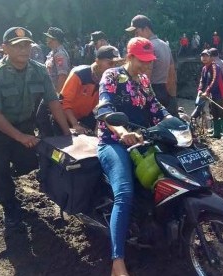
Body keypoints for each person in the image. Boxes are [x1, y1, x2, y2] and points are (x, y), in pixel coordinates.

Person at [0, 27, 71, 228]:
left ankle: (11, 171)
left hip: (24, 123)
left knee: (28, 161)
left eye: (27, 44)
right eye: (17, 45)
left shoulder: (39, 70)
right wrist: (20, 137)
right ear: (5, 48)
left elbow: (53, 102)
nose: (24, 49)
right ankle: (9, 208)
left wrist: (67, 133)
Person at [96, 36, 170, 276]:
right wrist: (122, 132)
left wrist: (175, 122)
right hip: (113, 142)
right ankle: (118, 262)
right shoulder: (112, 76)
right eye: (142, 61)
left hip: (143, 141)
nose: (147, 66)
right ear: (129, 57)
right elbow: (105, 108)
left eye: (150, 61)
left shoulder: (144, 79)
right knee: (125, 193)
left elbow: (156, 109)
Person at [60, 45, 120, 134]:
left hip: (84, 116)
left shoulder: (110, 79)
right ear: (97, 61)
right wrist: (75, 125)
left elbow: (102, 107)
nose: (113, 68)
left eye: (116, 64)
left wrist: (97, 129)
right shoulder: (79, 74)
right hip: (64, 116)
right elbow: (64, 102)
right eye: (110, 63)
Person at [126, 14, 178, 117]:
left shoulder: (147, 47)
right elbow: (171, 74)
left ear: (146, 29)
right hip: (164, 92)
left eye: (137, 32)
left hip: (151, 93)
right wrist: (173, 98)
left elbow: (146, 76)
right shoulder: (164, 45)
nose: (135, 37)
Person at [198, 49, 223, 140]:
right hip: (212, 93)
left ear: (211, 57)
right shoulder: (204, 69)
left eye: (206, 56)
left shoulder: (215, 67)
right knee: (214, 113)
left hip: (220, 93)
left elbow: (214, 80)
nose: (204, 58)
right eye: (202, 56)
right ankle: (216, 133)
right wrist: (200, 90)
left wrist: (206, 91)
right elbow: (202, 81)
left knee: (222, 113)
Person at [43, 27, 71, 94]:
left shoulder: (60, 54)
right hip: (49, 91)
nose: (46, 39)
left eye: (48, 37)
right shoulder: (52, 53)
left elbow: (62, 76)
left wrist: (58, 95)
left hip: (55, 93)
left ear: (54, 39)